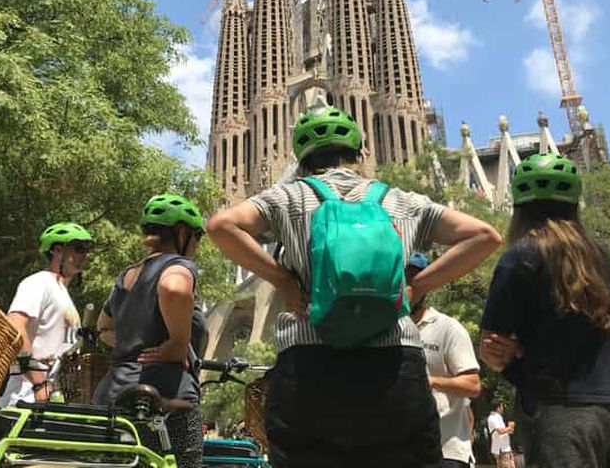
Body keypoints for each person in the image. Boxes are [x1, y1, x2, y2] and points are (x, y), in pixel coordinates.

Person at [207, 105, 502, 468]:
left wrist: (282, 278)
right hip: (395, 367)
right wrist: (417, 286)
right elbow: (484, 235)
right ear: (360, 153)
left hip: (310, 367)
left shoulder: (290, 197)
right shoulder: (398, 200)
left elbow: (221, 226)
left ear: (302, 157)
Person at [479, 153, 610, 468]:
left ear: (519, 210)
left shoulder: (521, 258)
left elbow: (492, 348)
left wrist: (515, 354)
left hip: (561, 417)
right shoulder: (601, 261)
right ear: (574, 205)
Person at [92, 194, 207, 468]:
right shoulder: (178, 265)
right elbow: (174, 288)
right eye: (198, 236)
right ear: (182, 232)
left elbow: (102, 328)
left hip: (112, 397)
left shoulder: (127, 276)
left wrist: (136, 341)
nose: (198, 245)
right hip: (164, 399)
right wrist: (178, 344)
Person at [0, 222, 94, 407]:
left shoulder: (63, 293)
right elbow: (14, 327)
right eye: (80, 248)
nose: (86, 255)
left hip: (53, 397)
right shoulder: (38, 282)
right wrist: (38, 382)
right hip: (26, 397)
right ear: (58, 250)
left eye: (89, 249)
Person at [407, 252, 481, 468]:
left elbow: (473, 385)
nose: (409, 284)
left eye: (416, 278)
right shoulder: (386, 329)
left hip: (446, 451)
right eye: (403, 277)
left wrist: (431, 381)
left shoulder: (447, 329)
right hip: (401, 450)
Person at [486, 400, 515, 468]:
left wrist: (509, 429)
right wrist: (509, 427)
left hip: (505, 447)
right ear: (497, 408)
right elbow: (499, 431)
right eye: (501, 406)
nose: (502, 408)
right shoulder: (492, 417)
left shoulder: (498, 417)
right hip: (501, 448)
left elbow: (504, 431)